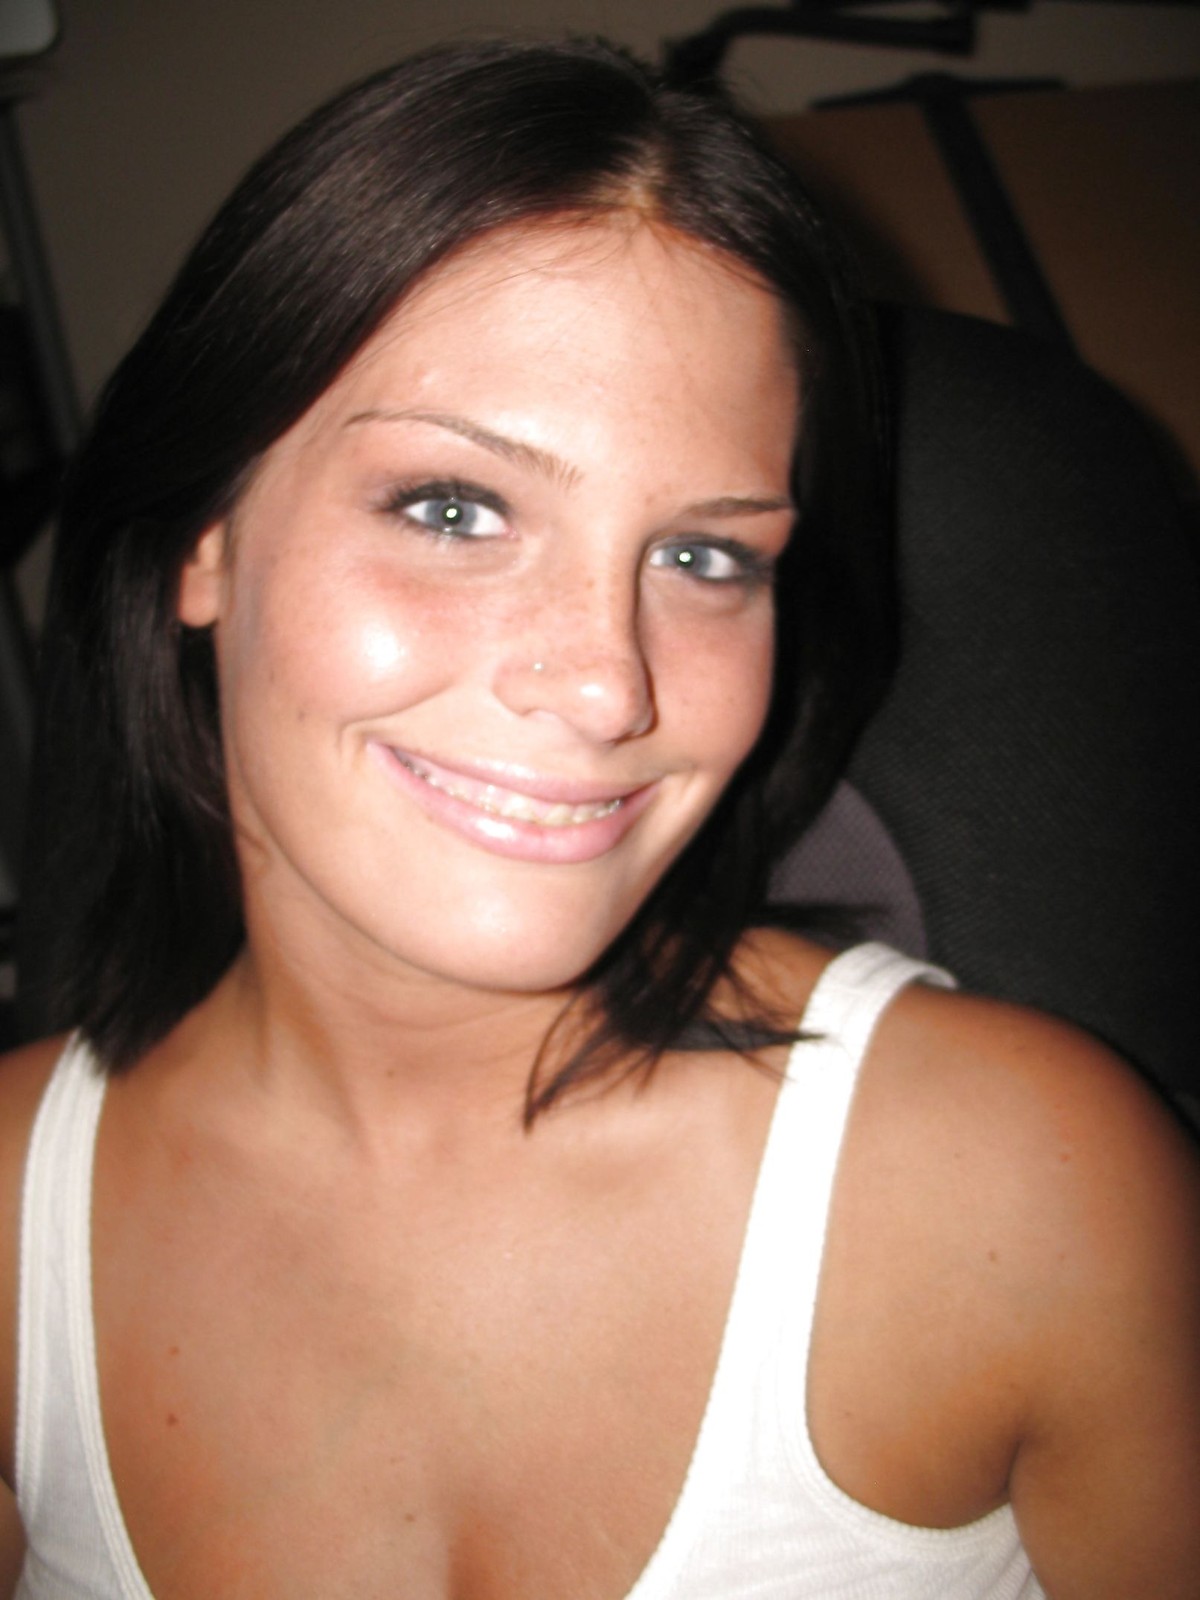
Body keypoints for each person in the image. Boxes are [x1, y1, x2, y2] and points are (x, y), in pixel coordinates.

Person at [0, 37, 1197, 1600]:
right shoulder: (11, 1223)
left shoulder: (1027, 1191)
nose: (605, 683)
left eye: (705, 557)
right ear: (203, 540)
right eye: (453, 510)